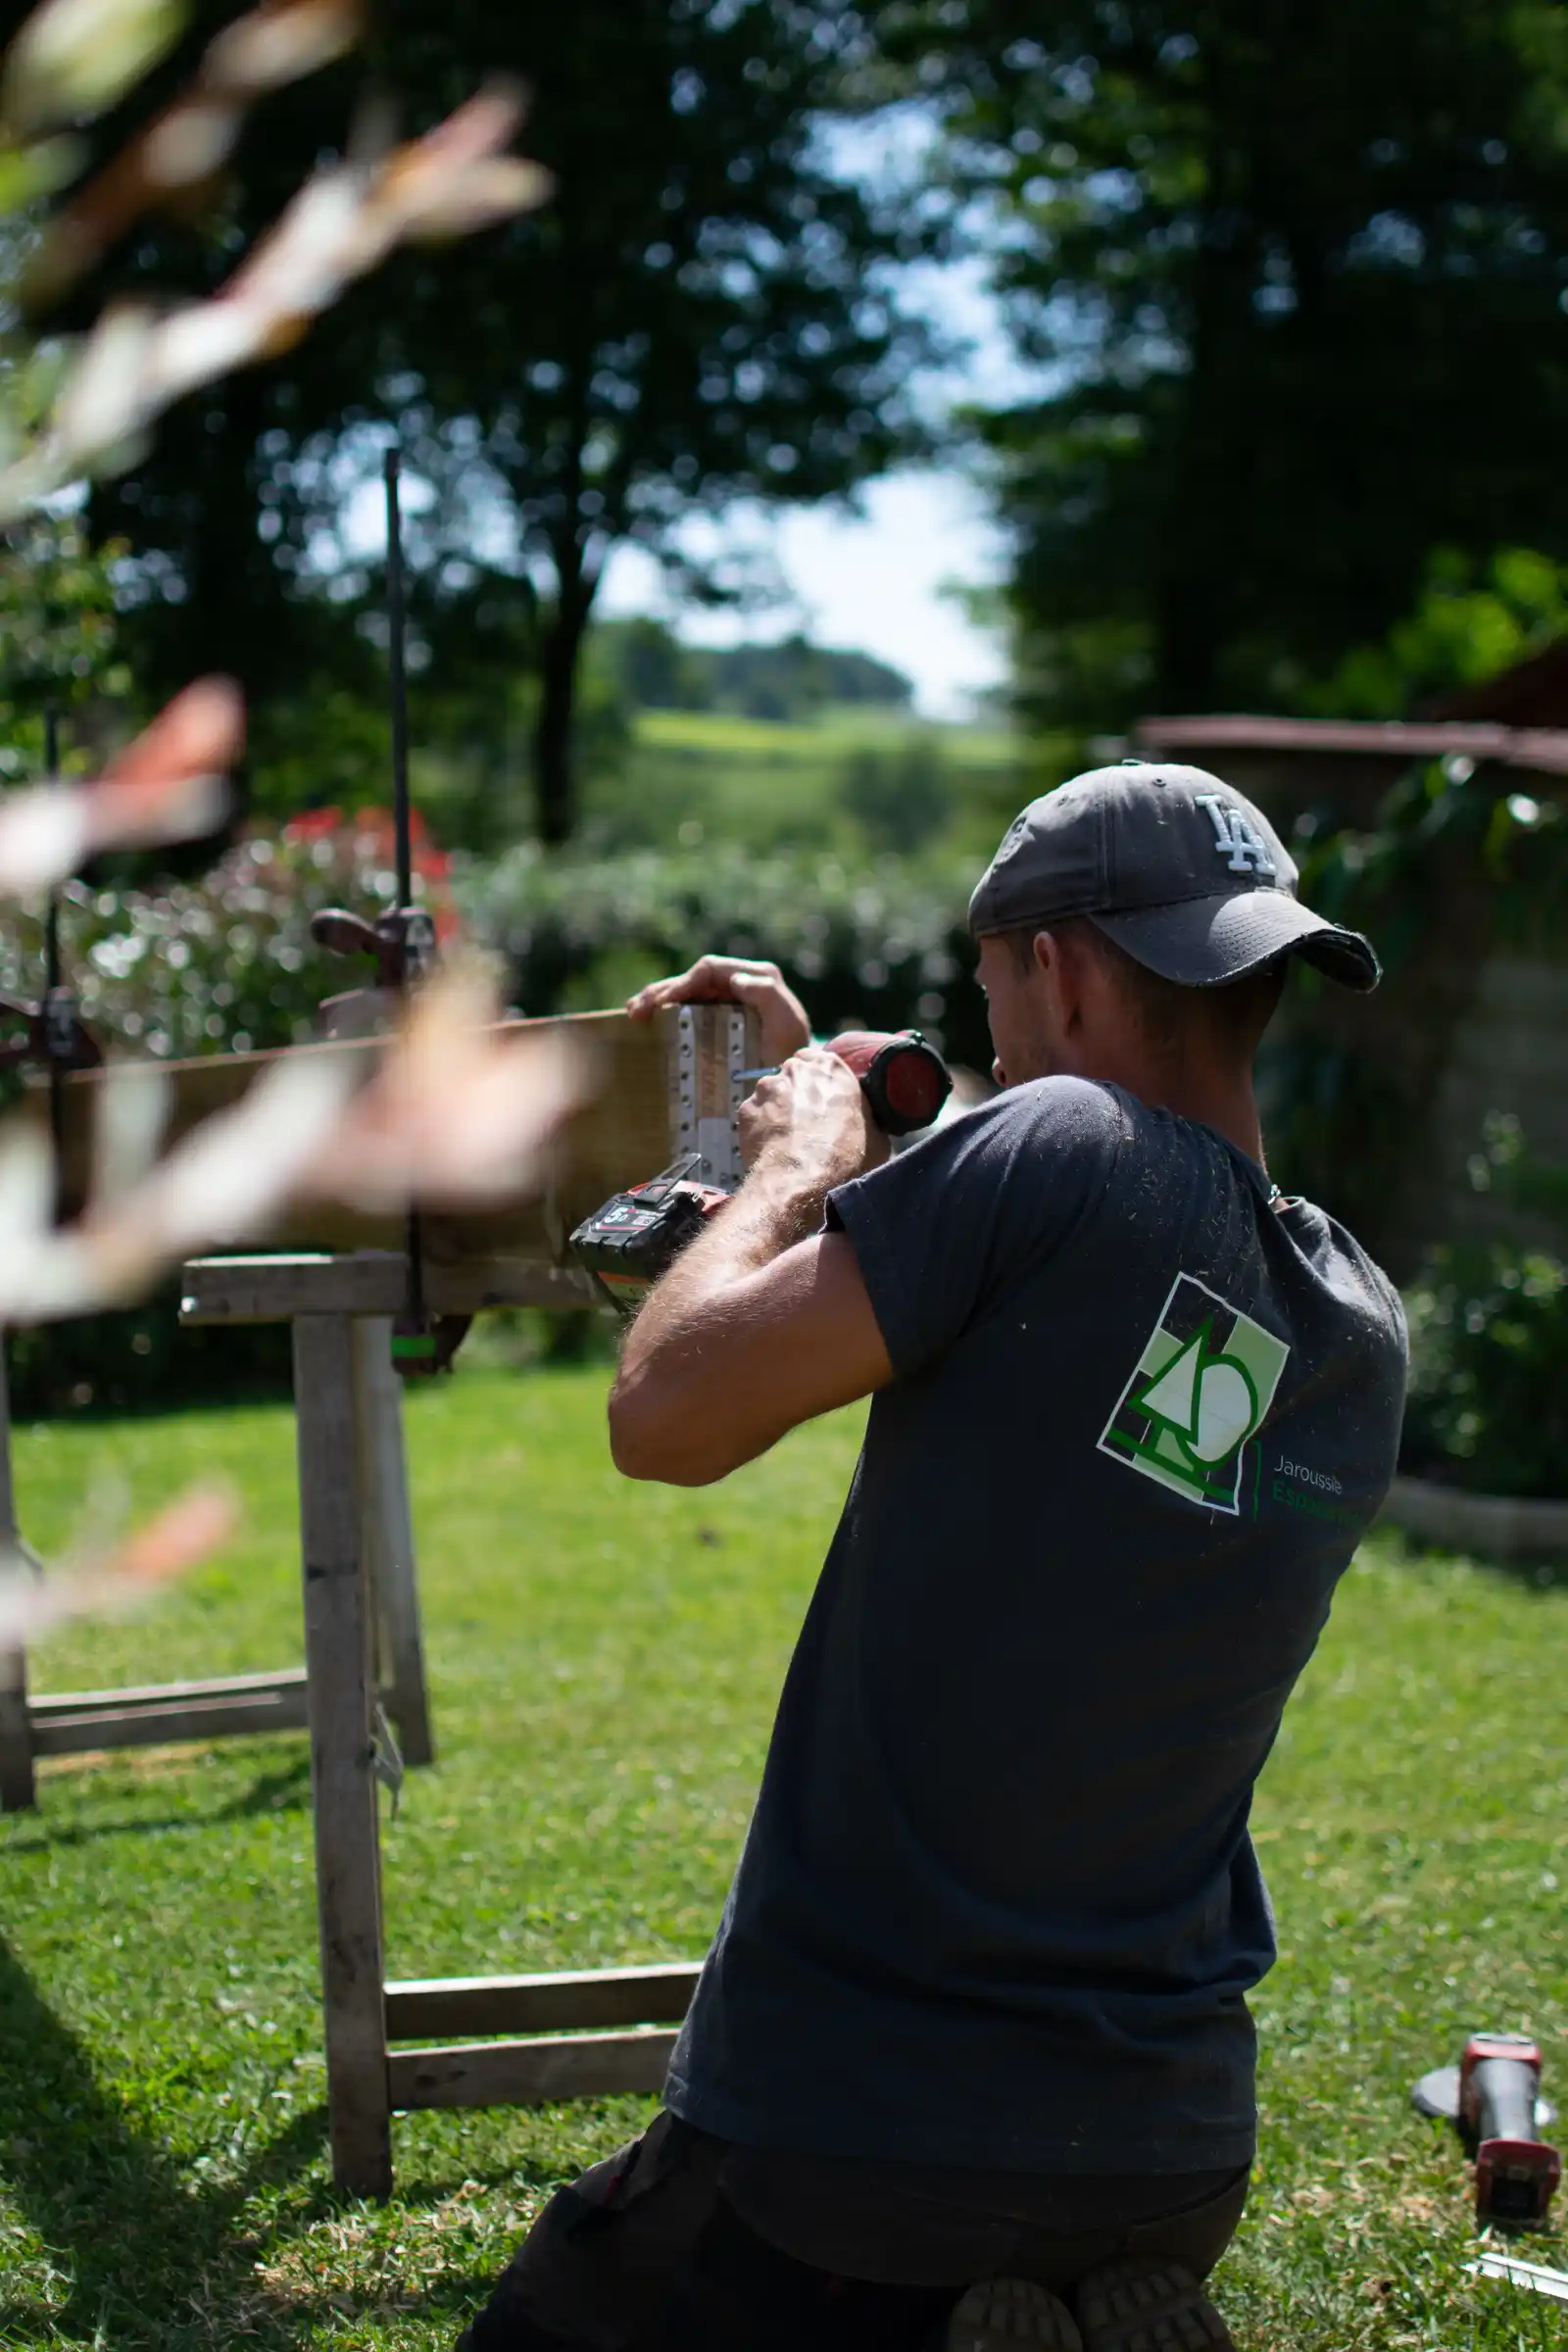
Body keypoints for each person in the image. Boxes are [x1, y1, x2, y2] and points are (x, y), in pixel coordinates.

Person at [459, 761, 1407, 2352]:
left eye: (990, 1002)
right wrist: (860, 1099)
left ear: (1060, 967)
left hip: (858, 2138)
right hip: (1169, 2143)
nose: (993, 1048)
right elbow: (1082, 1247)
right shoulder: (1354, 1324)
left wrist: (791, 1164)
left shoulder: (1055, 1151)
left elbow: (664, 1415)